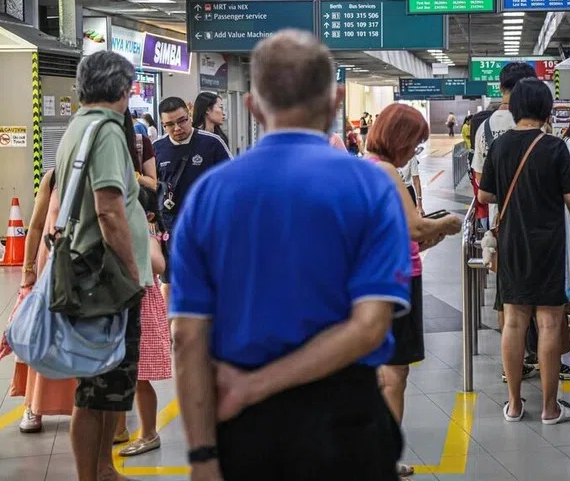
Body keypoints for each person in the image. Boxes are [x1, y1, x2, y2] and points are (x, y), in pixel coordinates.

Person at [170, 30, 410, 480]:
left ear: (254, 106)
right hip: (346, 423)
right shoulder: (370, 187)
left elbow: (187, 338)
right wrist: (254, 388)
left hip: (246, 432)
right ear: (336, 101)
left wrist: (203, 456)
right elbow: (369, 326)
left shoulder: (208, 196)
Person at [473, 63, 570, 377]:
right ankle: (559, 375)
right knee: (550, 312)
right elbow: (569, 194)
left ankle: (514, 375)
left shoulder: (486, 129)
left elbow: (482, 188)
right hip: (546, 232)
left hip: (504, 228)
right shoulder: (547, 137)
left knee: (510, 308)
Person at [58, 50, 152, 481]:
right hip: (106, 281)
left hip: (86, 274)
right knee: (98, 389)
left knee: (94, 389)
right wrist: (132, 275)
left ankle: (101, 469)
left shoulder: (77, 126)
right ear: (121, 89)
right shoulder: (110, 131)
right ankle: (93, 473)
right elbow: (109, 208)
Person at [478, 78, 570, 424]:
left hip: (512, 242)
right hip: (548, 243)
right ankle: (551, 408)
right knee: (550, 321)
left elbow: (485, 196)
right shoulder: (554, 147)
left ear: (516, 108)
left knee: (514, 321)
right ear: (546, 109)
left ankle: (514, 404)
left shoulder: (500, 146)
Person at [365, 104, 462, 477]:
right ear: (400, 140)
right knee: (394, 374)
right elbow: (415, 228)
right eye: (415, 144)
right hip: (395, 282)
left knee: (379, 371)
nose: (415, 151)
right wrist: (449, 223)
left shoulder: (363, 167)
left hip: (373, 277)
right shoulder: (386, 170)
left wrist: (426, 236)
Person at [3, 170, 75, 434]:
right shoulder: (53, 177)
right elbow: (34, 225)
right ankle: (33, 405)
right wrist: (27, 270)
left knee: (82, 339)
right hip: (50, 271)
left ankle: (88, 406)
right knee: (42, 336)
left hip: (87, 272)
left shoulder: (103, 172)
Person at [154, 96, 232, 300]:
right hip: (169, 225)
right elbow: (150, 186)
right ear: (163, 125)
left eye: (182, 121)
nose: (177, 128)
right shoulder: (157, 149)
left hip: (205, 225)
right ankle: (169, 330)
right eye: (169, 124)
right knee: (169, 281)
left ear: (189, 116)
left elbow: (231, 181)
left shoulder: (211, 143)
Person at [117, 187, 172, 457]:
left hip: (143, 307)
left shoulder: (149, 234)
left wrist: (137, 234)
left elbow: (159, 265)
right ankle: (118, 430)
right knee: (116, 373)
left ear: (147, 215)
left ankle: (149, 432)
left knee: (139, 377)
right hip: (122, 304)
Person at [398, 145, 425, 216]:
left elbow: (416, 180)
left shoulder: (411, 157)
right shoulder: (386, 156)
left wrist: (419, 205)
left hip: (407, 191)